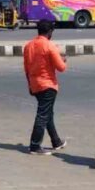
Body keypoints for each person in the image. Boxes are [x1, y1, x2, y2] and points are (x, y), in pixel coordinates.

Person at [23, 20, 68, 155]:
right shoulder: (49, 46)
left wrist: (30, 84)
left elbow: (26, 68)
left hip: (35, 84)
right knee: (43, 115)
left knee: (47, 113)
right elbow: (61, 67)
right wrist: (63, 59)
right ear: (49, 32)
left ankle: (56, 141)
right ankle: (35, 145)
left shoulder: (29, 46)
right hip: (47, 84)